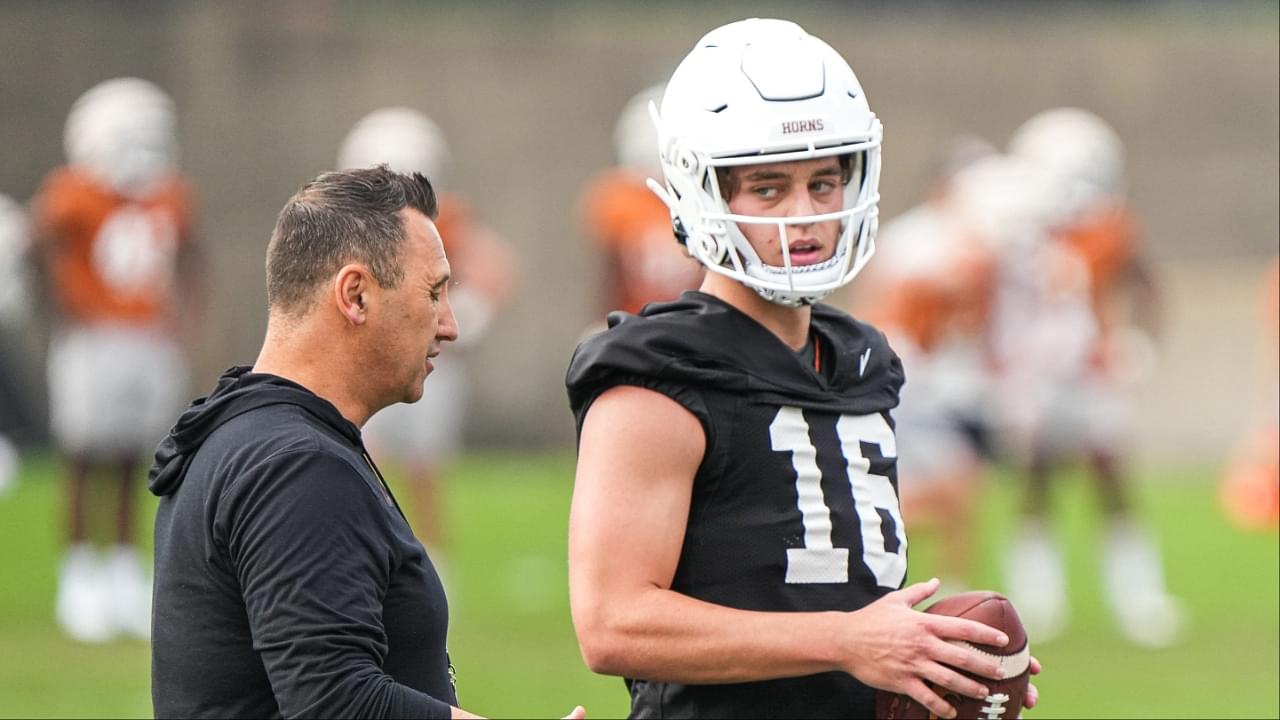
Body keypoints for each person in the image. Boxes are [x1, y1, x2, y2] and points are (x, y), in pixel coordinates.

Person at [565, 19, 1038, 719]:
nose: (806, 216)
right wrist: (847, 640)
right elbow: (613, 624)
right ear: (705, 191)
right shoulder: (660, 375)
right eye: (768, 189)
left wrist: (938, 663)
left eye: (823, 182)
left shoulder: (862, 361)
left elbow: (846, 613)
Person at [149, 167, 583, 719]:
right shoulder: (295, 466)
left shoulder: (257, 434)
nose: (450, 324)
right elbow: (334, 702)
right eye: (433, 292)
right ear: (355, 295)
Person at [999, 107, 1184, 648]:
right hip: (1035, 372)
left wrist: (1139, 342)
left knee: (1111, 478)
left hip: (1087, 372)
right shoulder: (1013, 227)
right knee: (1036, 481)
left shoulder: (1107, 227)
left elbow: (1146, 281)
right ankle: (1036, 598)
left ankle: (1138, 598)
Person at [30, 77, 200, 643]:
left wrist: (181, 318)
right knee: (84, 457)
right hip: (94, 337)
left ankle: (125, 574)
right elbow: (39, 250)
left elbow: (188, 256)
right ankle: (80, 578)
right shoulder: (72, 193)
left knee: (139, 459)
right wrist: (66, 314)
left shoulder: (168, 193)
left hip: (148, 336)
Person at [337, 107, 517, 559]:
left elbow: (493, 262)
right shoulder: (347, 223)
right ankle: (372, 557)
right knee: (363, 462)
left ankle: (430, 563)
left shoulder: (444, 219)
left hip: (427, 362)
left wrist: (472, 309)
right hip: (369, 357)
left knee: (423, 469)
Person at [848, 137, 998, 594]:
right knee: (941, 489)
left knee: (964, 491)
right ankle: (866, 562)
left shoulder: (977, 238)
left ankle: (946, 585)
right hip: (916, 379)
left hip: (955, 382)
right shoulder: (916, 240)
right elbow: (881, 307)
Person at [578, 82, 704, 321]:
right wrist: (601, 323)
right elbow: (608, 275)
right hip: (636, 325)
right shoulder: (621, 199)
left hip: (699, 323)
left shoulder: (707, 201)